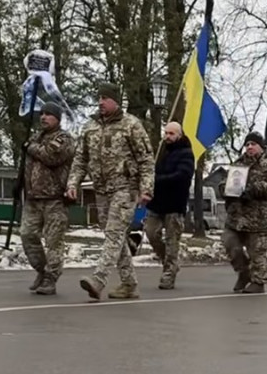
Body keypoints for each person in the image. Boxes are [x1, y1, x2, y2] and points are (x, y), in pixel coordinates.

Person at [66, 82, 155, 301]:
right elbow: (80, 159)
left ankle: (99, 279)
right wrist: (72, 183)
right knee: (115, 237)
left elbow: (146, 160)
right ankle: (129, 284)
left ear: (116, 100)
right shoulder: (90, 127)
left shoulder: (131, 125)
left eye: (105, 98)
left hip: (126, 189)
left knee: (114, 234)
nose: (100, 102)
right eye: (99, 98)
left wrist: (146, 189)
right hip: (101, 191)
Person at [20, 102, 75, 295]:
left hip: (54, 199)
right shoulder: (35, 138)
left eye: (48, 114)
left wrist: (30, 147)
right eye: (42, 114)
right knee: (27, 234)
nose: (43, 117)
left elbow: (52, 156)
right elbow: (28, 165)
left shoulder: (64, 138)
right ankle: (41, 270)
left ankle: (51, 278)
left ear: (57, 118)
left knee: (53, 242)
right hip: (33, 198)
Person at [220, 131, 267, 294]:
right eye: (247, 144)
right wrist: (225, 189)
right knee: (230, 244)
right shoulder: (239, 164)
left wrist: (253, 189)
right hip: (236, 217)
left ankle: (258, 282)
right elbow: (225, 181)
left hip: (257, 219)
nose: (249, 147)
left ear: (261, 147)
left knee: (257, 253)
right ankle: (243, 273)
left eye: (253, 144)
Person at [144, 121, 195, 290]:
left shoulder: (186, 153)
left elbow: (182, 176)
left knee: (172, 240)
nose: (167, 137)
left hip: (175, 203)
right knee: (151, 233)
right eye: (166, 133)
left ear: (179, 135)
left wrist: (158, 180)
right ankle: (170, 262)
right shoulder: (161, 152)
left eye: (171, 134)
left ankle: (168, 273)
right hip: (157, 202)